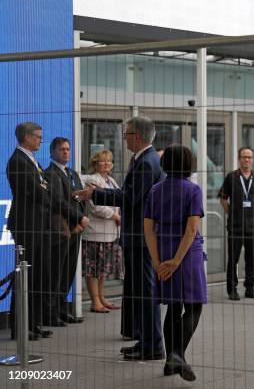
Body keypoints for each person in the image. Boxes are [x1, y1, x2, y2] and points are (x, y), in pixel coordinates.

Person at [74, 116, 165, 361]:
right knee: (139, 292)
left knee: (146, 292)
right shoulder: (145, 159)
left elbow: (130, 197)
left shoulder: (147, 162)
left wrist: (95, 193)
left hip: (141, 238)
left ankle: (153, 345)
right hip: (138, 236)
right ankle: (144, 340)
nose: (124, 138)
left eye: (127, 134)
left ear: (137, 136)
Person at [144, 145, 206, 382]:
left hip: (163, 248)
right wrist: (177, 261)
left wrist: (159, 260)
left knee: (173, 304)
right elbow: (191, 229)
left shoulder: (155, 190)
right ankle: (178, 354)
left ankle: (171, 362)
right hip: (186, 253)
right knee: (194, 305)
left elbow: (148, 228)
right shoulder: (193, 190)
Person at [5, 122, 53, 341]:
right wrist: (46, 192)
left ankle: (32, 323)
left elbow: (44, 186)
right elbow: (37, 191)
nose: (40, 141)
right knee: (25, 276)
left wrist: (45, 190)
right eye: (38, 137)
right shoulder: (18, 161)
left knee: (37, 276)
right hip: (26, 224)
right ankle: (20, 326)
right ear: (26, 137)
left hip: (38, 223)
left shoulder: (31, 159)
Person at [44, 137, 89, 326]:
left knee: (69, 272)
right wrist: (77, 220)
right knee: (57, 272)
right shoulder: (50, 173)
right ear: (52, 151)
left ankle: (62, 310)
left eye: (68, 149)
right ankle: (50, 313)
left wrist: (82, 219)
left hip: (76, 230)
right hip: (61, 231)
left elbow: (81, 199)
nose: (66, 152)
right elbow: (58, 202)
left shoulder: (72, 173)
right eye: (62, 149)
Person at [219, 147, 254, 301]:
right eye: (244, 157)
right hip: (235, 226)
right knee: (233, 259)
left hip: (253, 227)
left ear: (252, 159)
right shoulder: (231, 177)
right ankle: (231, 290)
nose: (246, 159)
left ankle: (250, 288)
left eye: (249, 157)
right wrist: (232, 213)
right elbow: (223, 199)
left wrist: (250, 212)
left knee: (250, 259)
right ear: (239, 159)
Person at [80, 149, 123, 313]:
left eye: (109, 161)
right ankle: (94, 301)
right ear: (95, 164)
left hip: (110, 233)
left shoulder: (111, 180)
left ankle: (102, 298)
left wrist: (117, 215)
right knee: (92, 269)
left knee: (102, 269)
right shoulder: (91, 180)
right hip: (95, 232)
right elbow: (96, 207)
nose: (106, 164)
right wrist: (116, 216)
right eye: (102, 161)